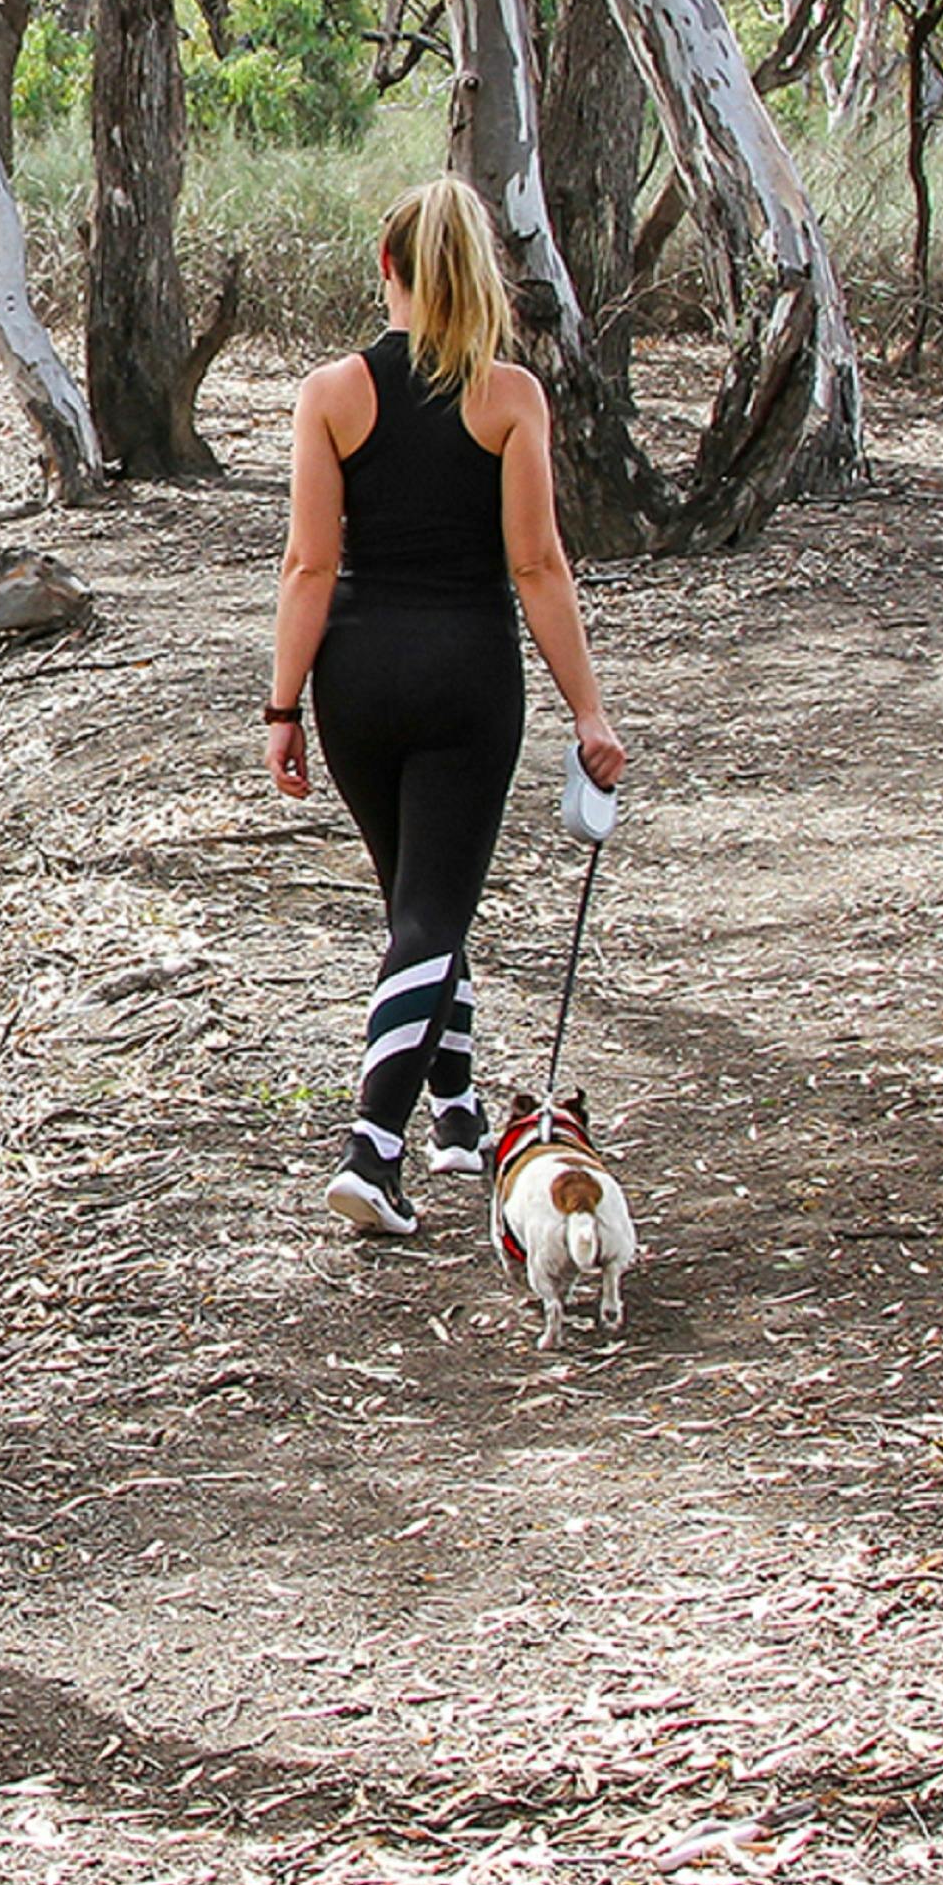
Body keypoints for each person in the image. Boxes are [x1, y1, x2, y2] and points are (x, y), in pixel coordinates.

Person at [262, 177, 625, 1235]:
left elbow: (305, 566)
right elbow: (537, 564)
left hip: (356, 680)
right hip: (467, 673)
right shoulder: (509, 398)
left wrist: (282, 707)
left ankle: (457, 1113)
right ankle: (372, 1149)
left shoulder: (330, 394)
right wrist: (588, 714)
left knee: (418, 906)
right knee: (429, 910)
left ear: (387, 269)